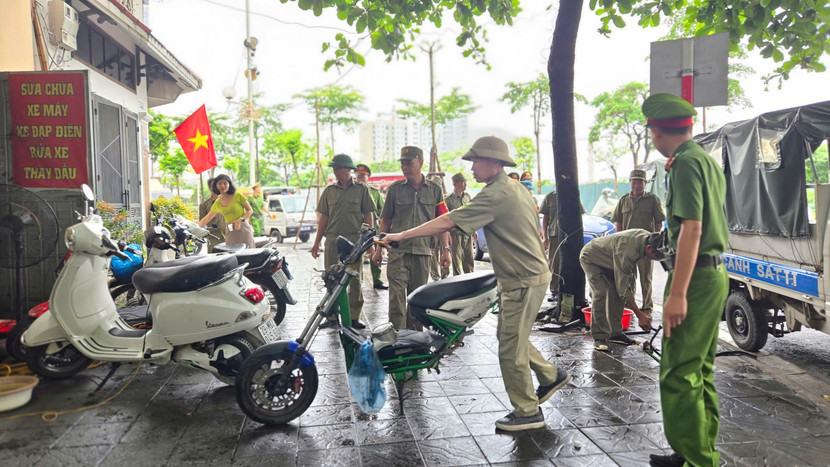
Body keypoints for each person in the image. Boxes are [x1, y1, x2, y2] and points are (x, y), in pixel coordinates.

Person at [380, 137, 571, 431]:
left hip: (523, 279)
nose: (471, 169)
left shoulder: (495, 195)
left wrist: (401, 236)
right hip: (525, 276)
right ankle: (549, 375)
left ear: (494, 163)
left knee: (510, 345)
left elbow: (447, 221)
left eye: (475, 162)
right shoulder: (514, 188)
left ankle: (527, 411)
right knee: (511, 336)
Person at [642, 93, 729, 467]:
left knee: (678, 371)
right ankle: (697, 451)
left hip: (694, 277)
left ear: (656, 132)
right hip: (710, 274)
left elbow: (691, 229)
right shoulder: (703, 160)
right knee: (699, 368)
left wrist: (676, 294)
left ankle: (698, 461)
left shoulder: (684, 165)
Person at [371, 146, 450, 330]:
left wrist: (446, 250)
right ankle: (397, 341)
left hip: (423, 253)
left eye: (409, 163)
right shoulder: (394, 190)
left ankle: (415, 342)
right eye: (403, 163)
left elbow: (443, 221)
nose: (405, 167)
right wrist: (378, 249)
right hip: (397, 253)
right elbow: (386, 221)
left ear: (421, 163)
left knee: (416, 301)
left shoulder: (435, 189)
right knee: (396, 300)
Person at [310, 154, 376, 330]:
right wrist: (316, 242)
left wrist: (369, 241)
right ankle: (331, 316)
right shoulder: (329, 191)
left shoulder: (361, 190)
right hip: (332, 240)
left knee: (354, 280)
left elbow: (368, 214)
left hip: (355, 241)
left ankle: (354, 317)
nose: (335, 171)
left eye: (338, 168)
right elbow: (323, 218)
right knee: (331, 278)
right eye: (334, 168)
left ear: (348, 169)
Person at [579, 228, 661, 351]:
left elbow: (623, 287)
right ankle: (599, 337)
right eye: (656, 256)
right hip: (592, 258)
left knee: (617, 294)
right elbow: (624, 289)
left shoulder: (648, 239)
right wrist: (640, 315)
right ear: (649, 248)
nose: (655, 260)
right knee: (602, 293)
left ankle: (616, 334)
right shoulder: (628, 251)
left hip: (611, 261)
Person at [612, 169, 666, 320]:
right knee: (628, 277)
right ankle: (630, 306)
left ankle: (647, 307)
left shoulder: (652, 199)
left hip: (646, 246)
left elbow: (659, 222)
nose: (637, 185)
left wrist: (654, 241)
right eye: (634, 182)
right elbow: (618, 222)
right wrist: (619, 240)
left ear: (645, 183)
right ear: (630, 183)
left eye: (640, 182)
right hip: (627, 246)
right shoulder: (623, 200)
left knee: (645, 278)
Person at [539, 191, 585, 302]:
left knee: (572, 262)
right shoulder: (550, 197)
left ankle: (569, 289)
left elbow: (580, 214)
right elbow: (545, 218)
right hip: (555, 235)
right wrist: (544, 236)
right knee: (554, 264)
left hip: (570, 235)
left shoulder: (572, 195)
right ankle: (554, 290)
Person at [197, 174, 255, 247]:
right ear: (216, 186)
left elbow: (250, 210)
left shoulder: (237, 195)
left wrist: (240, 220)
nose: (222, 186)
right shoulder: (218, 202)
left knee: (247, 254)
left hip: (243, 228)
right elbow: (206, 219)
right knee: (231, 255)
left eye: (225, 183)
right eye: (219, 183)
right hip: (230, 231)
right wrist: (193, 228)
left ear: (229, 184)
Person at [355, 163, 388, 289]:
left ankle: (377, 279)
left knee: (376, 254)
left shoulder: (374, 192)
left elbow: (381, 211)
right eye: (358, 176)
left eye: (363, 176)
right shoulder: (353, 192)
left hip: (373, 229)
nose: (361, 178)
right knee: (356, 257)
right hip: (358, 229)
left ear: (368, 177)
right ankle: (358, 282)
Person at [444, 172, 476, 275]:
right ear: (456, 184)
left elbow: (471, 213)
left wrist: (474, 229)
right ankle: (457, 280)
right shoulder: (448, 199)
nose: (465, 184)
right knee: (456, 260)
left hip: (467, 233)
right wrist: (447, 234)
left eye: (465, 181)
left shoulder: (467, 197)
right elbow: (445, 218)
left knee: (469, 259)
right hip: (455, 234)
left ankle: (470, 279)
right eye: (463, 182)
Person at [427, 173, 450, 281]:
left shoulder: (445, 198)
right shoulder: (428, 197)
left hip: (443, 231)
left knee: (444, 250)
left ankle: (444, 274)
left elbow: (446, 218)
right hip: (432, 231)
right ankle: (435, 275)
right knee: (433, 254)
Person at [198, 177, 227, 253]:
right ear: (210, 188)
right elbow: (202, 223)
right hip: (214, 239)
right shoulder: (204, 205)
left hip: (228, 237)